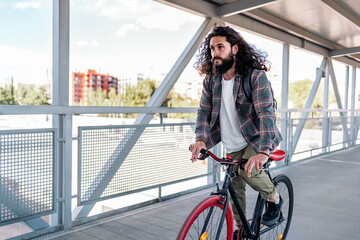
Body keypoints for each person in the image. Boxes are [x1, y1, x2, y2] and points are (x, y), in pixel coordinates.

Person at [189, 26, 283, 239]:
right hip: (230, 143)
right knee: (234, 186)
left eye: (220, 47)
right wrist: (201, 139)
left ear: (235, 49)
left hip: (255, 139)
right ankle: (241, 228)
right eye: (212, 49)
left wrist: (263, 152)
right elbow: (204, 112)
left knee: (248, 171)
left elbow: (266, 115)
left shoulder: (255, 77)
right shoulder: (211, 80)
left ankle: (274, 198)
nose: (215, 53)